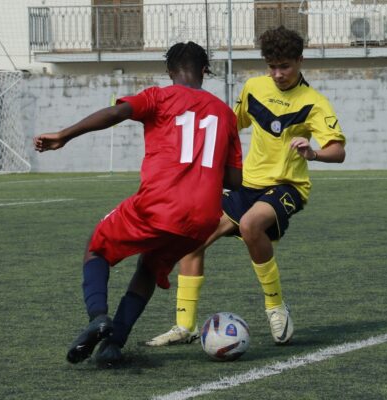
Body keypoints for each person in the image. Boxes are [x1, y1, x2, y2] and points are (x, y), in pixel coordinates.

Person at [34, 42, 243, 365]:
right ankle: (112, 344)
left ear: (169, 72)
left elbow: (116, 112)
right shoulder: (225, 114)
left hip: (160, 204)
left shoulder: (159, 96)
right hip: (203, 219)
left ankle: (99, 317)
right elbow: (233, 181)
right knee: (148, 266)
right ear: (205, 71)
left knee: (97, 248)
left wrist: (65, 134)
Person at [146, 26, 346, 347]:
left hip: (287, 186)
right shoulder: (254, 88)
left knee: (253, 224)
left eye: (285, 66)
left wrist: (315, 152)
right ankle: (184, 326)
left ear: (300, 61)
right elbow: (229, 123)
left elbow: (338, 151)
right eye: (272, 66)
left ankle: (275, 306)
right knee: (192, 240)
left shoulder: (315, 103)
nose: (278, 74)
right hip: (247, 186)